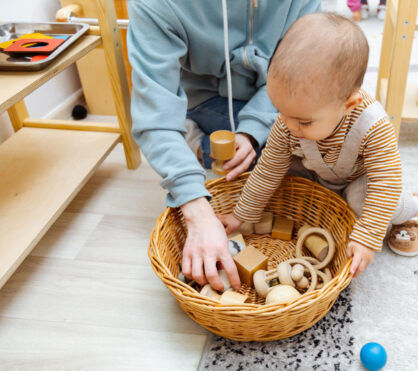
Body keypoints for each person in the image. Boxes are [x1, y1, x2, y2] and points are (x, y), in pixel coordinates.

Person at [127, 0, 321, 291]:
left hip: (281, 91)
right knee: (278, 165)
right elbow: (155, 117)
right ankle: (199, 140)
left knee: (326, 136)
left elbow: (308, 72)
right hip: (207, 98)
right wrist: (196, 210)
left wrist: (253, 130)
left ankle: (203, 143)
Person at [219, 13, 418, 278]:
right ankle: (328, 207)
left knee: (365, 201)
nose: (288, 125)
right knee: (282, 178)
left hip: (358, 178)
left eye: (303, 122)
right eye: (280, 112)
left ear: (348, 105)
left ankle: (413, 209)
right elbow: (268, 168)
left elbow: (385, 182)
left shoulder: (373, 126)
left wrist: (366, 238)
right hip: (319, 170)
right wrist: (241, 215)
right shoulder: (290, 121)